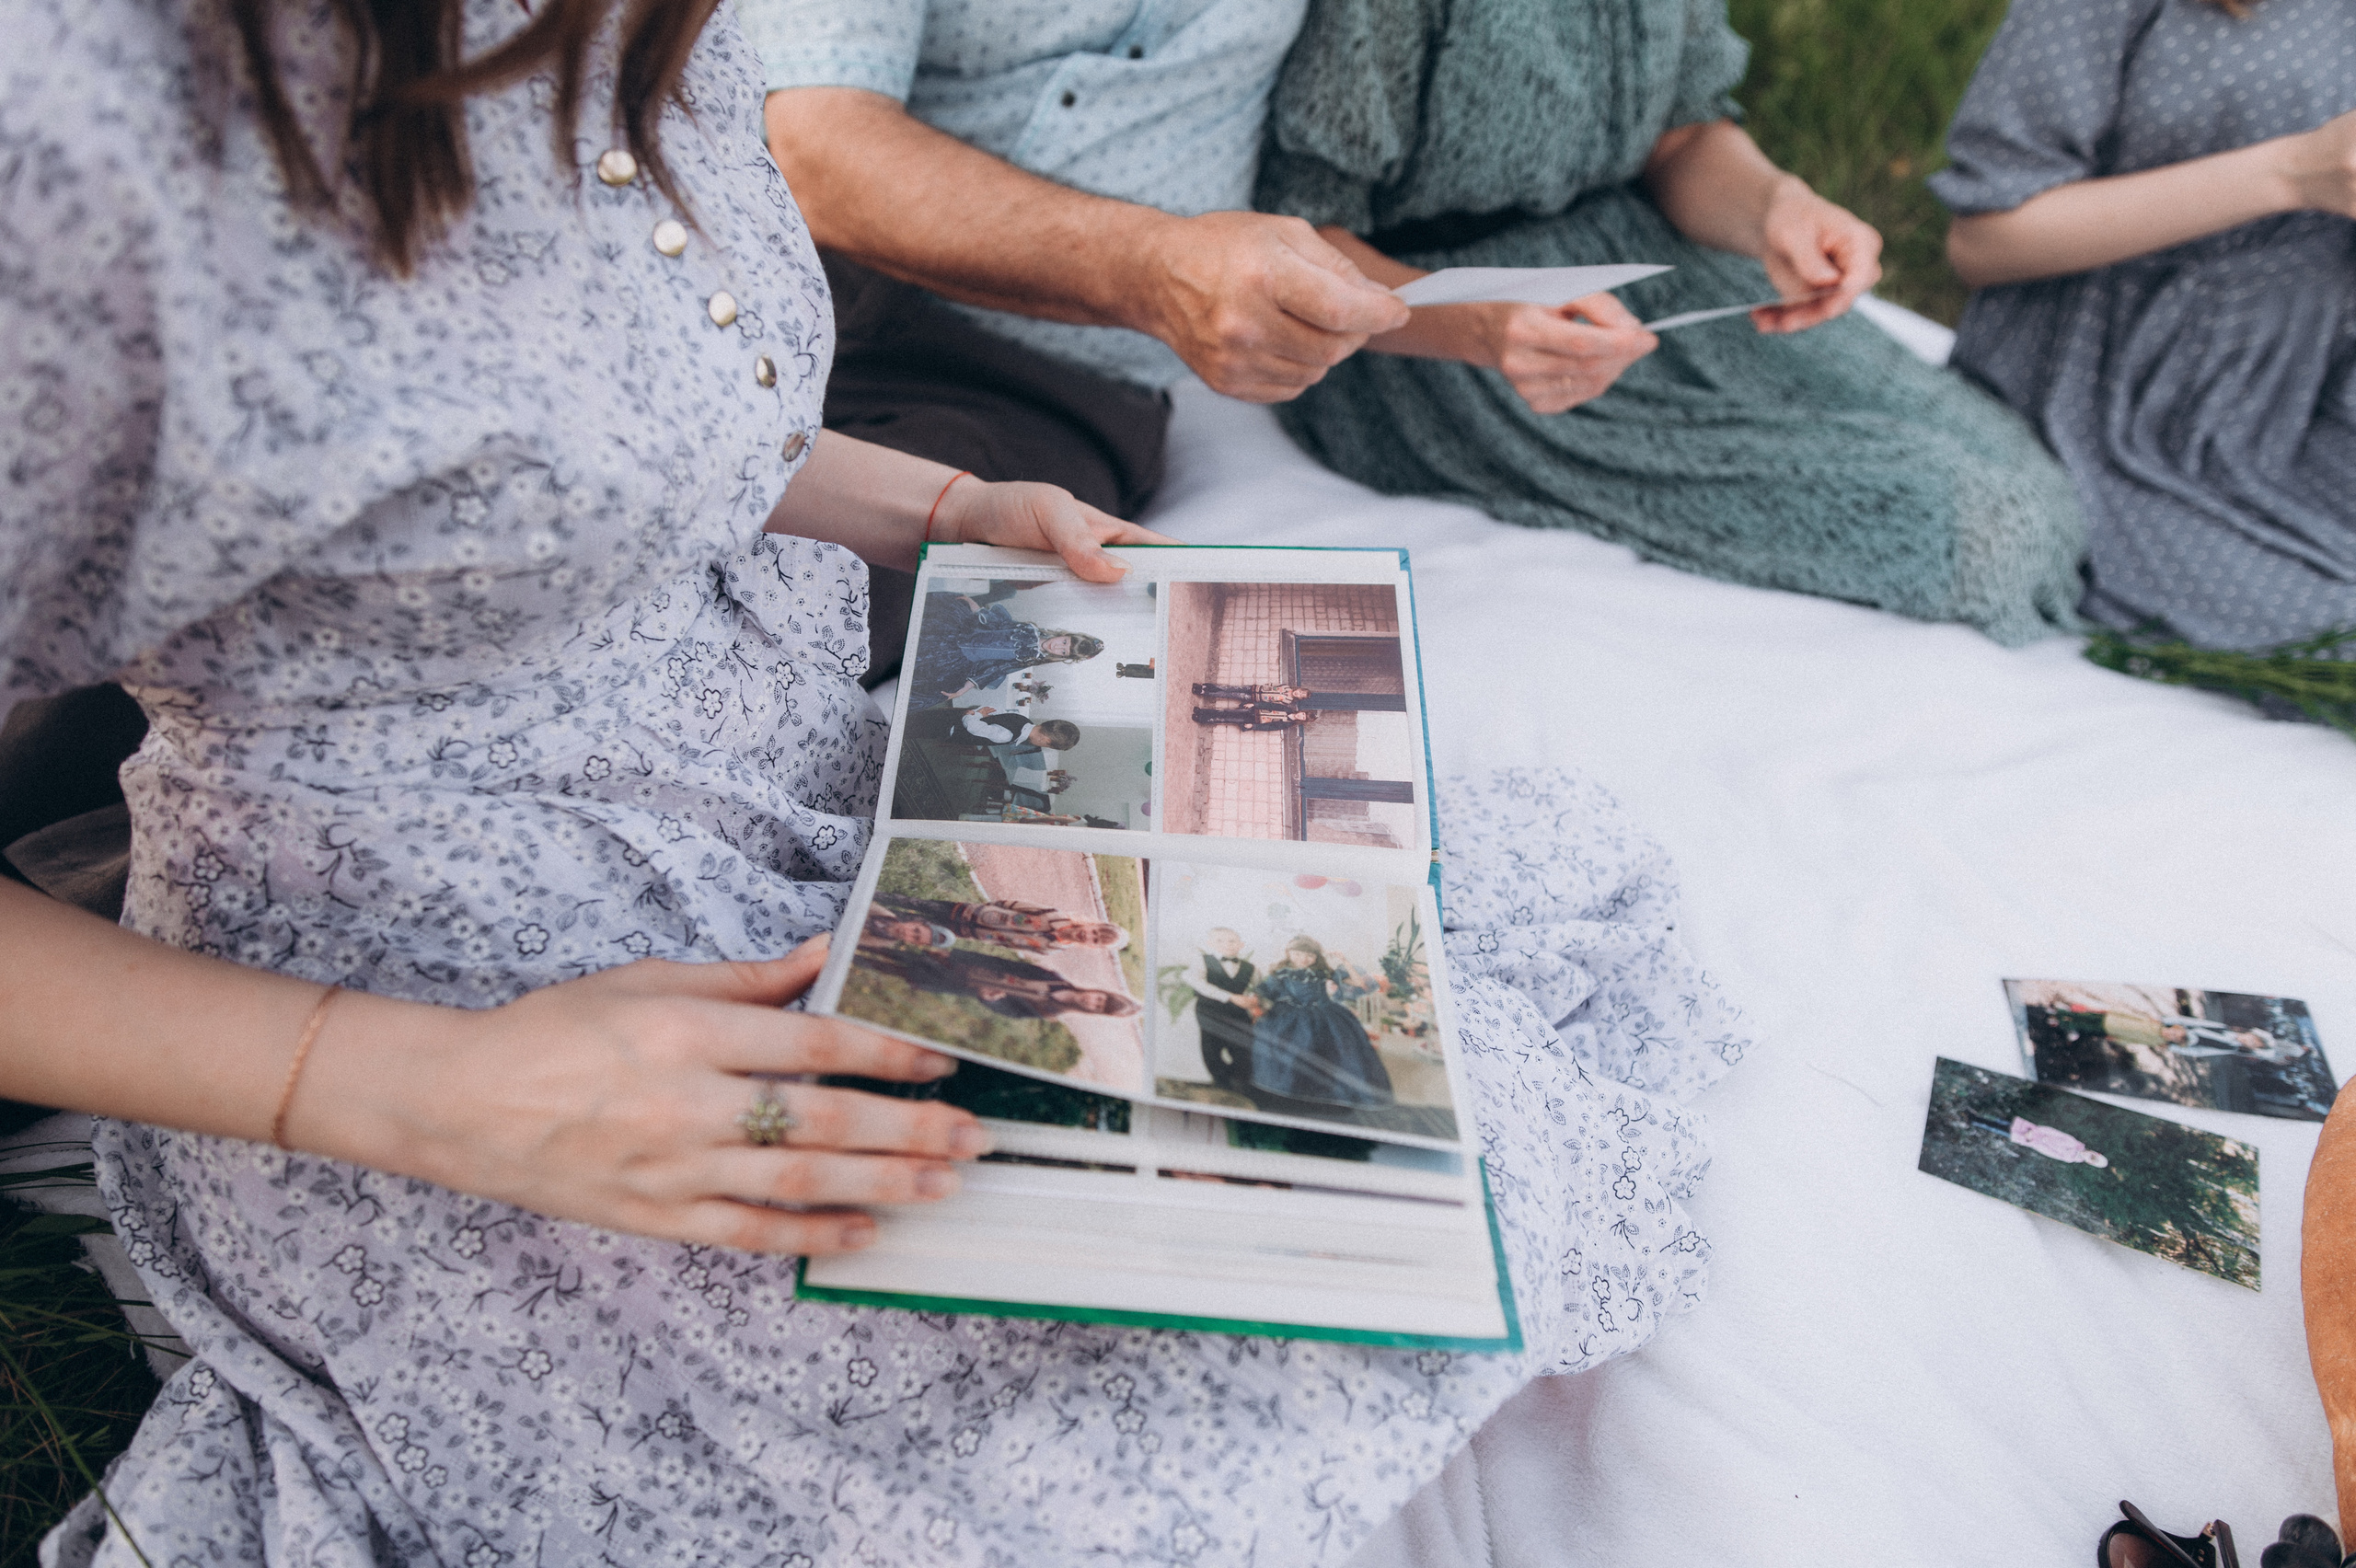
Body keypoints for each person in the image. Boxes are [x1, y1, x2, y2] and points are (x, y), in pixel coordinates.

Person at [2, 11, 1754, 1560]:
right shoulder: (69, 141)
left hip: (793, 780)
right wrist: (437, 1091)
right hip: (483, 1015)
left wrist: (938, 510)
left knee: (1394, 1102)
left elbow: (617, 407)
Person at [1251, 0, 2089, 647]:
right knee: (1972, 526)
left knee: (2035, 478)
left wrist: (1776, 208)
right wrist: (1480, 327)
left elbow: (1680, 140)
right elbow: (1301, 240)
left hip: (1641, 260)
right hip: (1429, 334)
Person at [742, 0, 1414, 678]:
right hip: (771, 291)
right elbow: (818, 149)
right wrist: (1154, 270)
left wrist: (1480, 321)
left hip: (1044, 391)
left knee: (799, 615)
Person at [1934, 0, 2356, 652]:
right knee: (2338, 635)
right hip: (2109, 399)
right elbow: (1986, 242)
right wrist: (2292, 174)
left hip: (2303, 395)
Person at [1245, 936, 1395, 1109]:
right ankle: (1292, 1092)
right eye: (1298, 954)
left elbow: (1359, 983)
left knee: (1339, 1050)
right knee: (1291, 1048)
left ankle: (1331, 1094)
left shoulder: (1323, 972)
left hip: (1325, 1013)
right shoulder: (1280, 973)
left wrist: (1344, 960)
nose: (1304, 959)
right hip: (1290, 1015)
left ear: (1317, 957)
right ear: (1289, 954)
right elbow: (1263, 994)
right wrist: (1261, 1008)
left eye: (1310, 955)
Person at [909, 592, 1103, 709]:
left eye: (1063, 652)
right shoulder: (1030, 629)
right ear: (1064, 634)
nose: (1057, 646)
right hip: (958, 631)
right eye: (1064, 642)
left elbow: (996, 669)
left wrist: (965, 689)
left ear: (1062, 658)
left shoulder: (1029, 658)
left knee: (922, 672)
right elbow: (1000, 623)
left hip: (956, 659)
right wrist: (976, 608)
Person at [857, 945, 1144, 1021]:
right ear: (1097, 991)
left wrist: (993, 1000)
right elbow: (1007, 966)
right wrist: (956, 953)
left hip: (963, 987)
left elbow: (1011, 1011)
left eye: (1097, 1007)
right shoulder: (1053, 979)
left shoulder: (1048, 1011)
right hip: (964, 966)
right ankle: (858, 942)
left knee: (896, 971)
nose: (1092, 1001)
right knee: (899, 955)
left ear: (1093, 1012)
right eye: (1098, 997)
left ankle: (854, 959)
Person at [875, 895, 1128, 954]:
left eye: (1094, 940)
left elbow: (1011, 944)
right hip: (969, 912)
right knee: (918, 904)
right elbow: (1014, 905)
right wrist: (987, 908)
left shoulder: (1051, 948)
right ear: (1092, 924)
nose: (1088, 936)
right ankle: (878, 897)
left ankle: (879, 919)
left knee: (910, 921)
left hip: (967, 932)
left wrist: (987, 937)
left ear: (1092, 946)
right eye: (1094, 931)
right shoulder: (1054, 916)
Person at [1184, 927, 1261, 1096]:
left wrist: (1255, 1001)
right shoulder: (1202, 961)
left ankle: (1238, 1083)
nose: (1227, 944)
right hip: (1210, 1011)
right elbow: (1195, 981)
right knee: (1211, 1048)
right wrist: (1231, 997)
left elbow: (1260, 989)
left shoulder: (1251, 968)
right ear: (1210, 944)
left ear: (1241, 945)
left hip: (1238, 1014)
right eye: (1219, 941)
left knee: (1243, 1049)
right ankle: (1221, 1083)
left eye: (1232, 941)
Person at [1193, 704, 1314, 731]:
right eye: (1303, 714)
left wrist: (1253, 726)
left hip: (1252, 720)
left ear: (1302, 721)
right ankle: (1202, 711)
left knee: (1225, 719)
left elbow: (1270, 727)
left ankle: (1201, 719)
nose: (1301, 716)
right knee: (1224, 711)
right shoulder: (1287, 709)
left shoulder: (1287, 724)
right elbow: (1268, 705)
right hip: (1253, 711)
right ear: (1302, 711)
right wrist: (1254, 704)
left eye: (1303, 718)